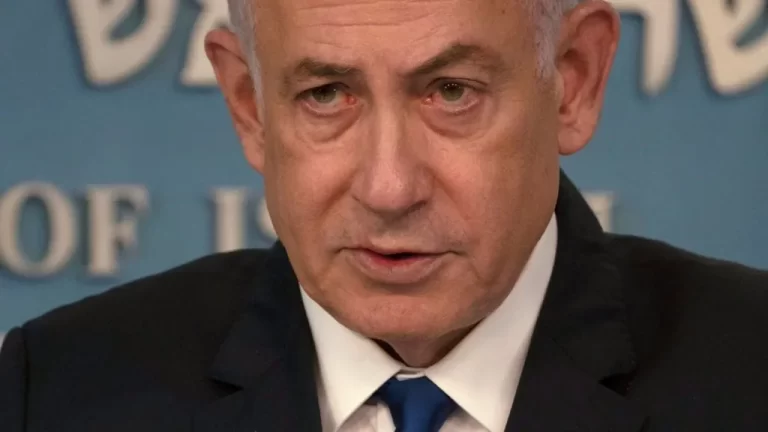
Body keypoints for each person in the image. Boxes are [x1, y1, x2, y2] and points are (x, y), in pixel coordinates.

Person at [2, 0, 768, 430]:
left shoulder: (749, 372)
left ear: (574, 81)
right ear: (248, 105)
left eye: (452, 92)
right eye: (326, 95)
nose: (390, 187)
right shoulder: (62, 392)